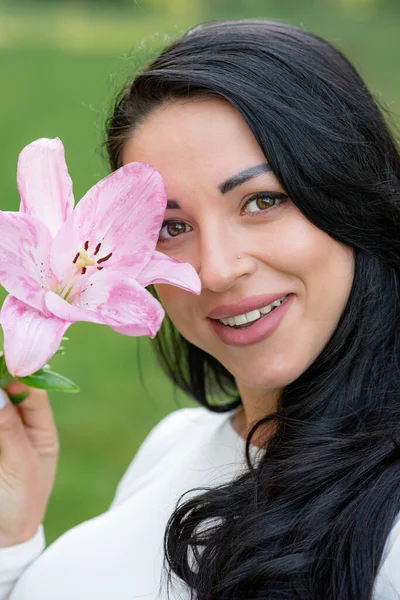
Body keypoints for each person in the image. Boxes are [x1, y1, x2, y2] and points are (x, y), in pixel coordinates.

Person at [0, 17, 400, 600]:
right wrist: (12, 539)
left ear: (351, 193)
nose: (214, 269)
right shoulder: (174, 443)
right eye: (171, 227)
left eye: (263, 201)